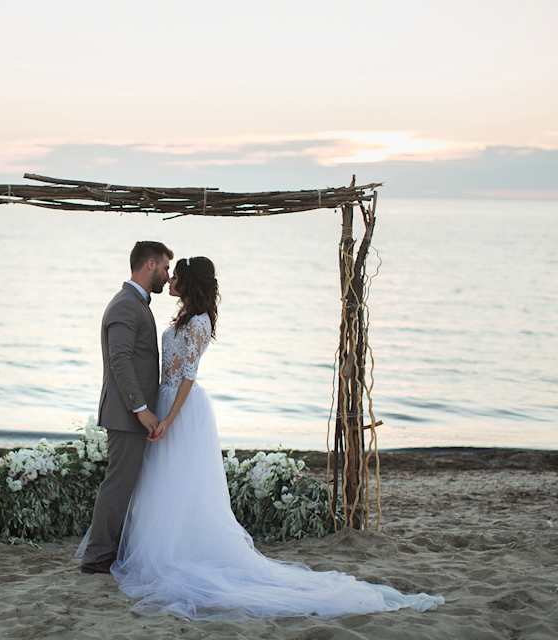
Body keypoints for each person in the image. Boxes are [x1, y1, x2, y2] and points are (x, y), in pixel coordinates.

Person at [86, 255, 446, 620]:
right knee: (158, 482)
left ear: (190, 282)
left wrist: (170, 418)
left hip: (180, 408)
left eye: (176, 274)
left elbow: (189, 376)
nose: (171, 279)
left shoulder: (199, 322)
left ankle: (174, 551)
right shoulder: (180, 316)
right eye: (168, 271)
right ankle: (146, 547)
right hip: (162, 402)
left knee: (177, 482)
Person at [79, 241, 173, 575]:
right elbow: (119, 361)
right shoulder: (125, 306)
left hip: (131, 414)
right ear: (149, 264)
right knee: (118, 485)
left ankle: (110, 550)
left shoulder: (137, 303)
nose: (167, 274)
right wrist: (141, 409)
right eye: (164, 267)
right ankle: (97, 557)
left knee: (124, 484)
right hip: (126, 414)